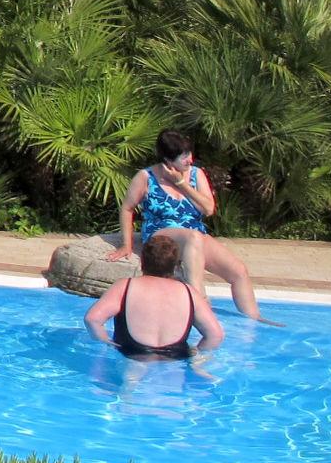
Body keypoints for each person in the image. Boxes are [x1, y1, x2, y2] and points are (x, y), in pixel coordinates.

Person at [107, 129, 271, 322]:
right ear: (167, 160)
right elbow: (127, 208)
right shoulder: (146, 177)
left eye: (190, 154)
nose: (190, 160)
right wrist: (126, 245)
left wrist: (182, 184)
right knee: (192, 237)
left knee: (238, 271)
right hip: (161, 233)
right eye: (183, 157)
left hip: (195, 235)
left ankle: (255, 321)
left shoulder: (196, 174)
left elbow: (208, 209)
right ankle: (198, 299)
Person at [85, 233, 224, 359]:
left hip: (133, 354)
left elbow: (92, 319)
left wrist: (108, 344)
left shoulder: (124, 286)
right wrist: (198, 356)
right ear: (176, 266)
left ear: (141, 262)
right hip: (175, 357)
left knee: (130, 380)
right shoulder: (189, 292)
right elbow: (215, 335)